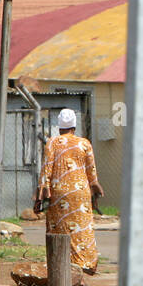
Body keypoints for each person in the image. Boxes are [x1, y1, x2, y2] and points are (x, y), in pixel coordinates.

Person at [36, 109, 105, 274]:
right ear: (74, 126)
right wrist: (95, 188)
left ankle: (61, 267)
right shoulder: (84, 143)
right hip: (81, 192)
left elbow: (46, 170)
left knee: (59, 230)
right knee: (81, 230)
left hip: (58, 193)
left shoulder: (52, 142)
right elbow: (91, 172)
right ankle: (84, 265)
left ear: (60, 127)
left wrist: (40, 195)